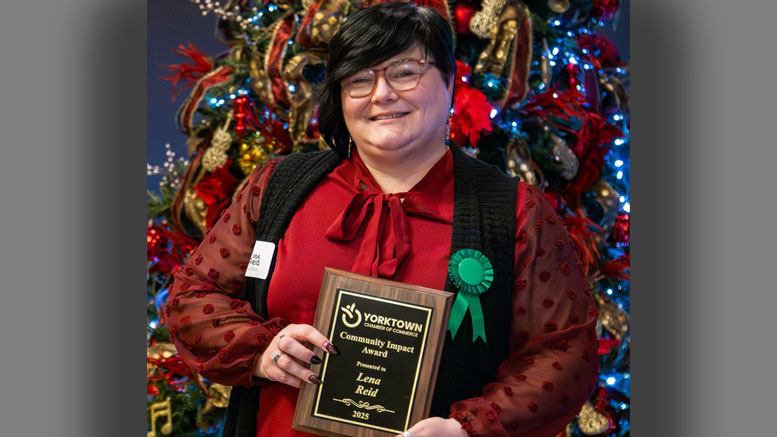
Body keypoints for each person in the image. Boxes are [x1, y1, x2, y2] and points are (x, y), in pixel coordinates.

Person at [165, 3, 599, 436]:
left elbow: (564, 353)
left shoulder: (517, 212)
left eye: (405, 71)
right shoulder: (276, 187)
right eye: (359, 79)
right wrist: (262, 352)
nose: (381, 94)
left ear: (449, 81)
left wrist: (466, 429)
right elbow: (191, 296)